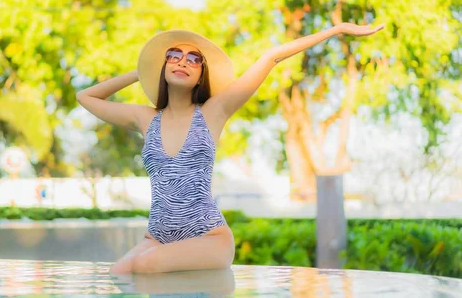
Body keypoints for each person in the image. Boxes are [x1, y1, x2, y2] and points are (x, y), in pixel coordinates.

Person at [76, 24, 384, 274]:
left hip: (209, 238)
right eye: (173, 55)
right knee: (118, 274)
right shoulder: (145, 118)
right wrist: (141, 71)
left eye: (194, 59)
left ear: (201, 75)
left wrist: (336, 29)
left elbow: (271, 57)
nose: (183, 60)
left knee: (142, 265)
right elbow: (86, 97)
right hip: (157, 237)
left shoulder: (213, 112)